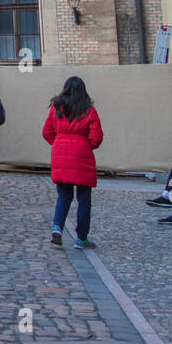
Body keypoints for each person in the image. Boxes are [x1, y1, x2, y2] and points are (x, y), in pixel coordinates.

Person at [42, 76, 105, 249]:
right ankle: (81, 238)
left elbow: (46, 132)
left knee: (64, 195)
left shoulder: (56, 109)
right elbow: (97, 137)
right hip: (81, 155)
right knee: (84, 199)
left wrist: (59, 143)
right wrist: (86, 145)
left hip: (60, 154)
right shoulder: (89, 110)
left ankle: (57, 227)